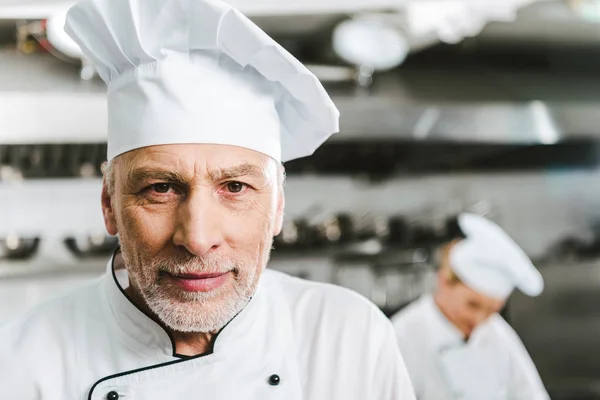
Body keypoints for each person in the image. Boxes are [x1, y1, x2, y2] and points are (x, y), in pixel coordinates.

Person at [0, 0, 416, 399]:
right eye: (160, 188)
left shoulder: (348, 338)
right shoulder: (20, 362)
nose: (197, 239)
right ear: (109, 204)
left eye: (235, 188)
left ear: (277, 209)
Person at [391, 213, 550, 400]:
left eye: (493, 310)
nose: (479, 319)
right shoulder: (401, 337)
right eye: (473, 305)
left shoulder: (498, 334)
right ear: (444, 281)